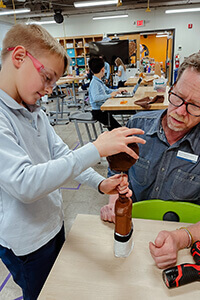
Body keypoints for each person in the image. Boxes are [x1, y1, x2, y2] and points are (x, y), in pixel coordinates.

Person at [0, 24, 146, 300]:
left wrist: (101, 183)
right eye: (46, 77)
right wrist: (96, 148)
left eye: (53, 82)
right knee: (42, 293)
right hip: (26, 244)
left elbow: (62, 154)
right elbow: (24, 184)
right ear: (19, 57)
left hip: (52, 224)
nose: (49, 89)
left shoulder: (34, 111)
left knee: (60, 287)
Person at [101, 52, 200, 268]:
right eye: (178, 97)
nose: (180, 111)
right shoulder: (138, 126)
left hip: (182, 243)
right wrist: (112, 202)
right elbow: (117, 172)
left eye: (195, 106)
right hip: (131, 232)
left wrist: (181, 238)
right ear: (170, 87)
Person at [89, 56, 126, 130]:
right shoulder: (94, 83)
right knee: (117, 128)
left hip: (103, 109)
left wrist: (117, 91)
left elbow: (107, 90)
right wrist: (109, 95)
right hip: (98, 112)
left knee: (117, 127)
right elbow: (96, 98)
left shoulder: (99, 81)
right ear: (103, 69)